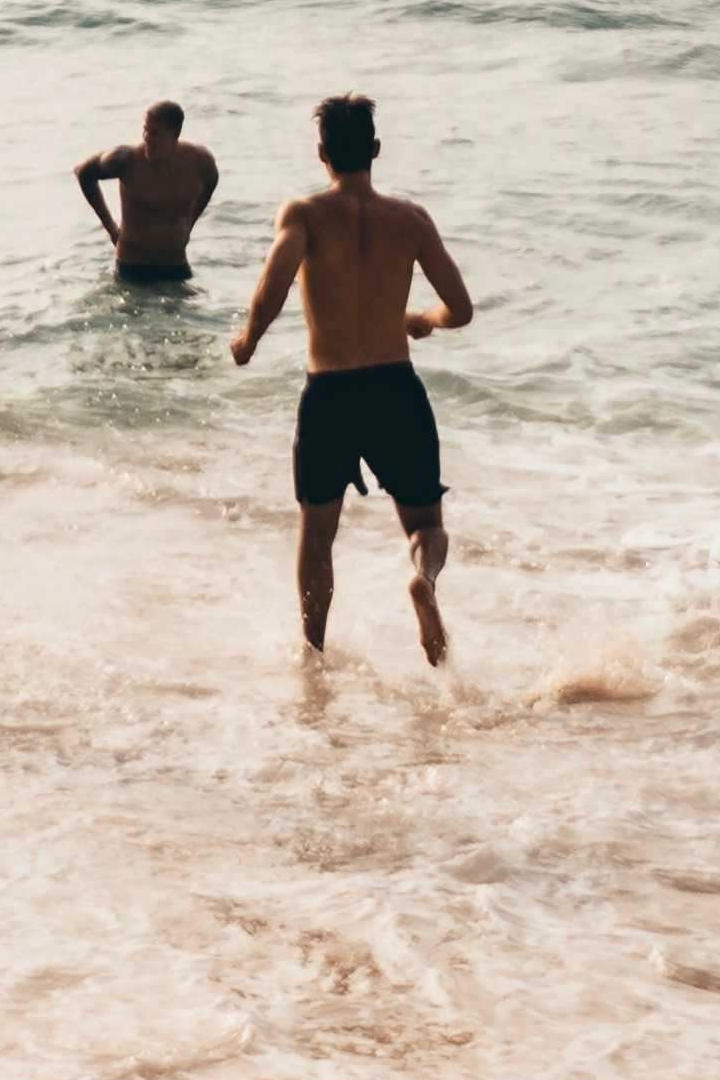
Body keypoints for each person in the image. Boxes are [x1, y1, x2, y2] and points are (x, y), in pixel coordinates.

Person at [229, 92, 473, 665]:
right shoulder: (410, 219)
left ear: (322, 154)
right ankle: (424, 580)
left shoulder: (304, 215)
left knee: (317, 536)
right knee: (425, 524)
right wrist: (423, 320)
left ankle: (313, 654)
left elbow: (276, 281)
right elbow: (460, 308)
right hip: (396, 388)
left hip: (330, 394)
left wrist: (248, 340)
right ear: (377, 151)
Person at [75, 101, 220, 281]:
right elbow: (83, 173)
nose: (147, 138)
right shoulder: (125, 160)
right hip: (132, 265)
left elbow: (211, 181)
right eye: (145, 129)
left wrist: (189, 223)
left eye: (155, 133)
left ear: (175, 134)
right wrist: (111, 229)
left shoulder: (198, 161)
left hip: (175, 264)